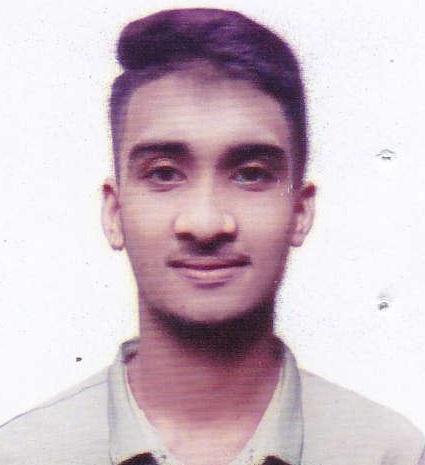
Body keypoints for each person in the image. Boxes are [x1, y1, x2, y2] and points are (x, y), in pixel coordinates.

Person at [0, 8, 423, 465]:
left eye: (251, 174)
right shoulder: (23, 455)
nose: (205, 224)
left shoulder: (390, 454)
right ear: (115, 213)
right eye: (163, 173)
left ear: (300, 212)